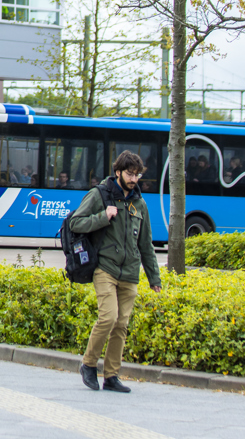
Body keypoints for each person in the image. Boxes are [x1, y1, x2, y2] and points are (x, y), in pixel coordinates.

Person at [70, 150, 162, 393]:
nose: (134, 179)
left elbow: (146, 244)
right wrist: (103, 216)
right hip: (105, 269)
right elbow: (75, 223)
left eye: (137, 175)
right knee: (108, 318)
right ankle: (88, 365)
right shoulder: (100, 195)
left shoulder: (139, 204)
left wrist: (154, 278)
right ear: (118, 172)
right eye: (130, 174)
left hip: (130, 274)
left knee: (121, 325)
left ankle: (111, 376)